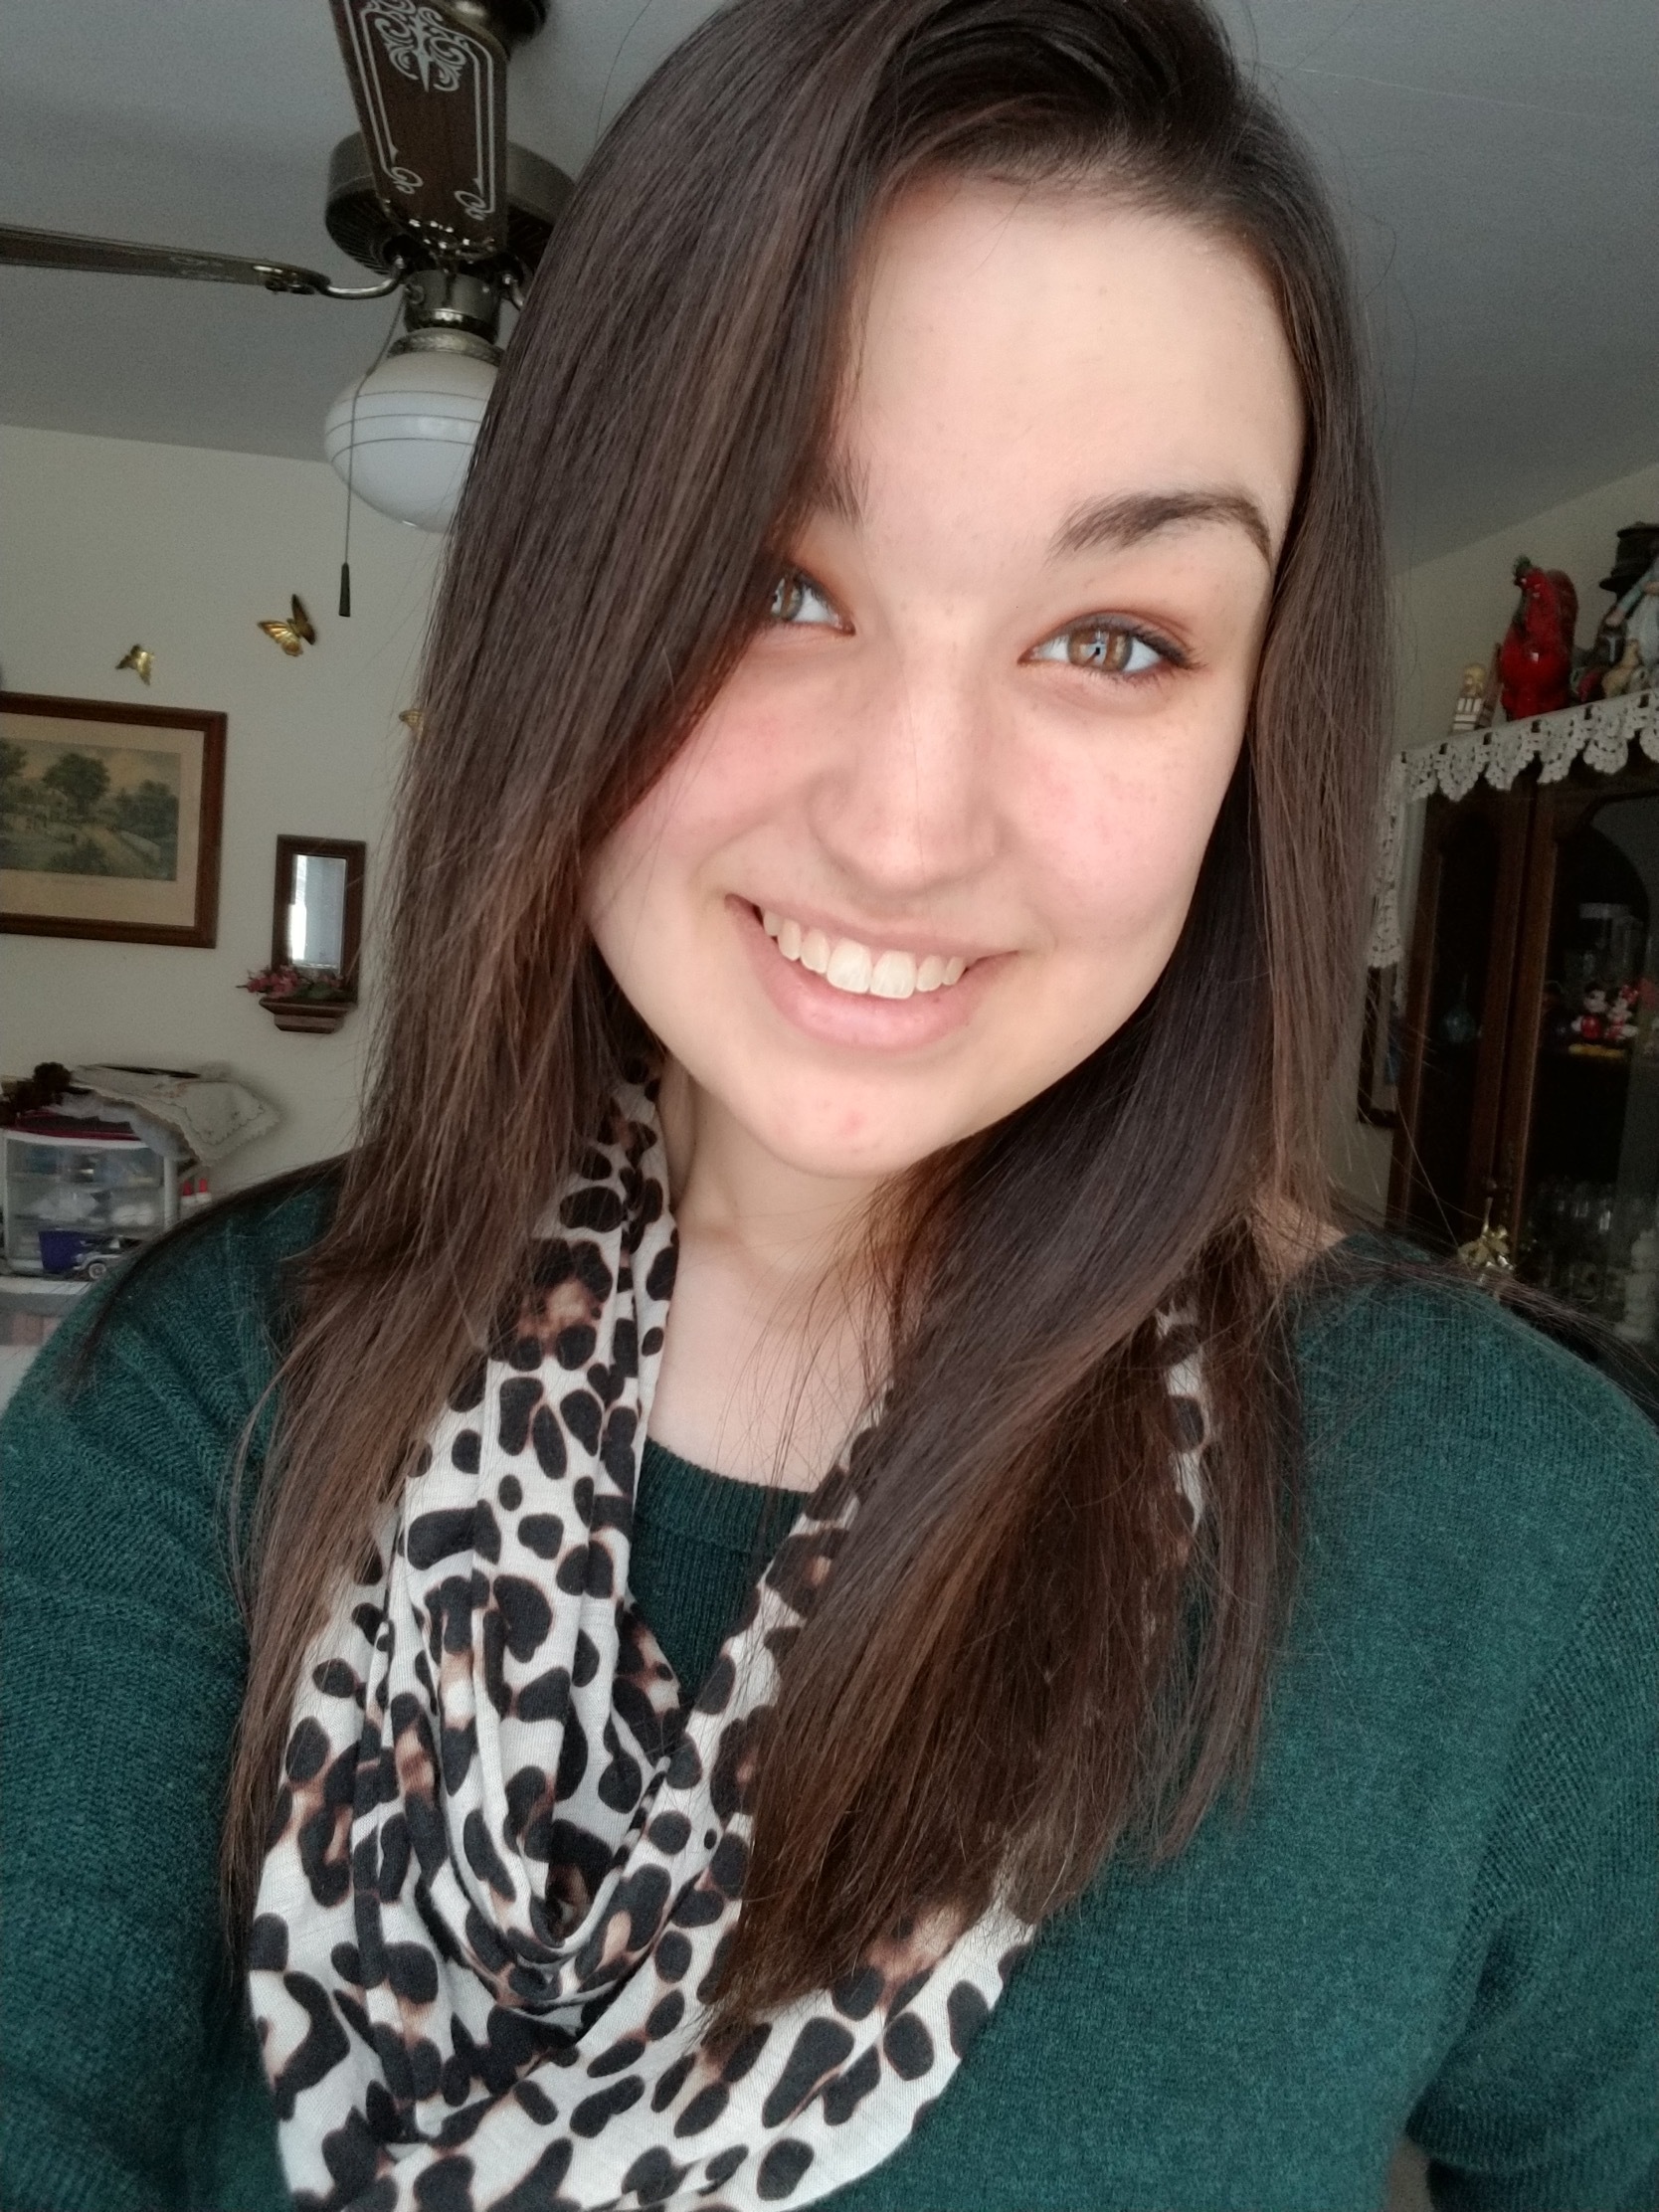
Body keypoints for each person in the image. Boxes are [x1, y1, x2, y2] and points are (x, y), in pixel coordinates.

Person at [2, 0, 1655, 2206]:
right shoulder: (199, 1400)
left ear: (1257, 723)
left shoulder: (1518, 1538)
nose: (903, 826)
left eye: (1117, 637)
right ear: (570, 608)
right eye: (779, 581)